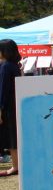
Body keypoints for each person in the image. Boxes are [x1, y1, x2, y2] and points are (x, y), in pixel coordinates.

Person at [0, 39, 22, 177]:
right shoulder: (14, 65)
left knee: (11, 137)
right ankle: (16, 165)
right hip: (15, 104)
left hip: (7, 107)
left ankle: (15, 166)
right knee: (14, 135)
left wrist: (0, 108)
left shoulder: (6, 66)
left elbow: (2, 89)